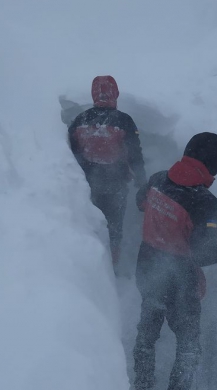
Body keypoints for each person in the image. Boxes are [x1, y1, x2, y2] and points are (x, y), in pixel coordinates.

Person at [132, 132, 217, 390]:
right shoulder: (206, 203)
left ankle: (141, 387)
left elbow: (140, 202)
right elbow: (202, 253)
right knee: (188, 347)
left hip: (148, 269)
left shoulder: (158, 179)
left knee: (147, 331)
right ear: (212, 167)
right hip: (180, 283)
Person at [68, 76, 147, 265]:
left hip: (88, 184)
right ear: (115, 93)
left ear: (94, 94)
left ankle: (90, 263)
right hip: (116, 185)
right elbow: (135, 153)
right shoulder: (124, 121)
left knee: (90, 225)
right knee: (114, 227)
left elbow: (72, 151)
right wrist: (141, 181)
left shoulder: (81, 119)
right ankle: (112, 266)